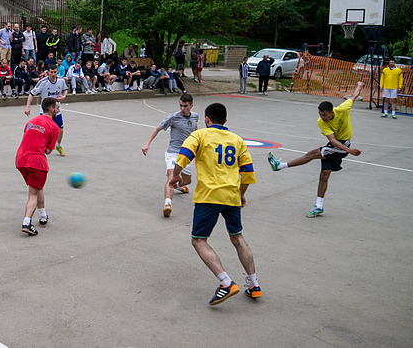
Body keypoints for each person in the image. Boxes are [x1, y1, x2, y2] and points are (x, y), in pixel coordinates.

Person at [170, 102, 259, 305]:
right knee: (237, 237)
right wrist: (241, 194)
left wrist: (175, 177)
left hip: (208, 196)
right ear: (225, 121)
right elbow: (247, 173)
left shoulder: (199, 135)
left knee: (199, 240)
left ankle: (226, 282)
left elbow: (183, 157)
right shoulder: (237, 141)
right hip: (231, 196)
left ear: (207, 120)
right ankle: (254, 285)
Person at [268, 82, 364, 218]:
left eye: (324, 115)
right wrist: (348, 150)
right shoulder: (321, 122)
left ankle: (280, 166)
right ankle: (319, 206)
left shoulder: (343, 109)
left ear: (332, 112)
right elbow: (332, 140)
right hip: (336, 145)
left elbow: (354, 96)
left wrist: (360, 85)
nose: (321, 117)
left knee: (312, 154)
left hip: (344, 145)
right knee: (324, 174)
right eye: (320, 114)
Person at [142, 93, 198, 217]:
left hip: (187, 154)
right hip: (173, 152)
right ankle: (168, 204)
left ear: (191, 106)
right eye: (180, 105)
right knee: (172, 175)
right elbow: (157, 128)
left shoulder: (195, 117)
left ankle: (178, 186)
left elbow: (196, 131)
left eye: (185, 106)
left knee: (187, 181)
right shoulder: (174, 117)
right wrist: (147, 144)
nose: (182, 109)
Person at [17, 97, 61, 236]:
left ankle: (42, 217)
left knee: (37, 187)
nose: (59, 111)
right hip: (36, 162)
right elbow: (48, 151)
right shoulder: (54, 127)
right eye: (58, 108)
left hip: (21, 159)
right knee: (33, 194)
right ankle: (26, 222)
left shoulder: (30, 121)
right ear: (51, 109)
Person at [25, 63, 68, 156]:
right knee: (43, 130)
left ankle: (58, 145)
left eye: (55, 72)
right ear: (47, 72)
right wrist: (28, 107)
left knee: (60, 130)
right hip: (45, 111)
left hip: (57, 110)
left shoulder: (61, 80)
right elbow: (31, 94)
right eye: (51, 72)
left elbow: (65, 89)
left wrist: (63, 96)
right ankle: (41, 147)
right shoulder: (43, 82)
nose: (53, 74)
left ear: (57, 71)